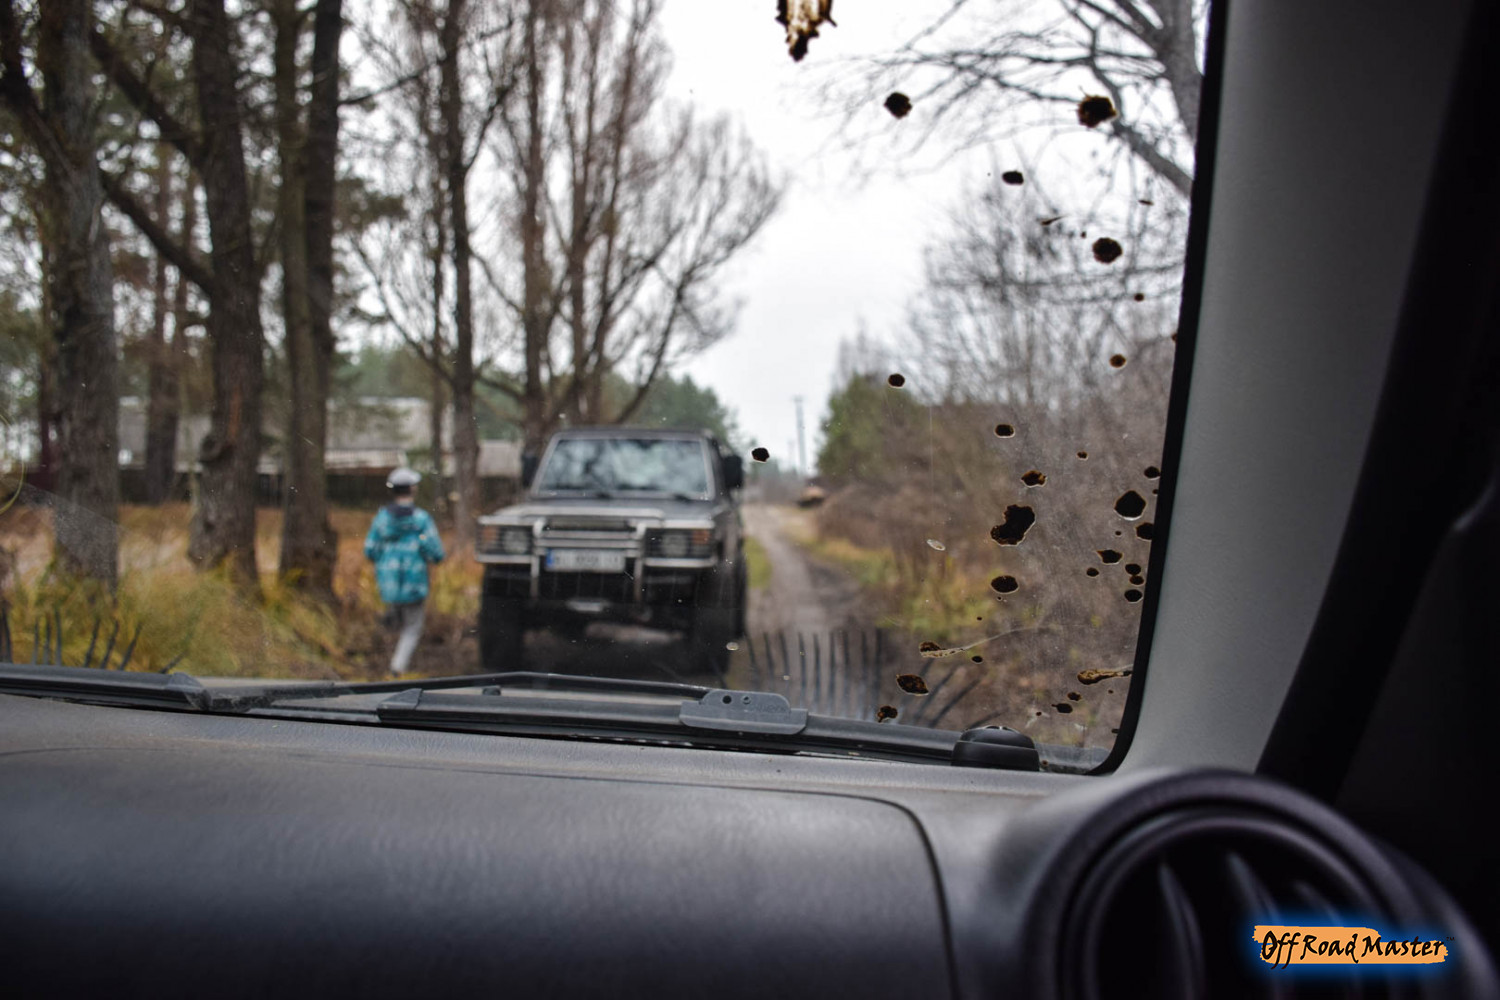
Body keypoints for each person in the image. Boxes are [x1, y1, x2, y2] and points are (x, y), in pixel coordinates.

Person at [364, 467, 446, 675]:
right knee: (412, 627)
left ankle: (384, 657)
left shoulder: (382, 518)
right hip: (414, 581)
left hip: (388, 582)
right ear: (412, 489)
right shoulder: (421, 519)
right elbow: (437, 553)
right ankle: (397, 666)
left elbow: (370, 550)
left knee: (395, 619)